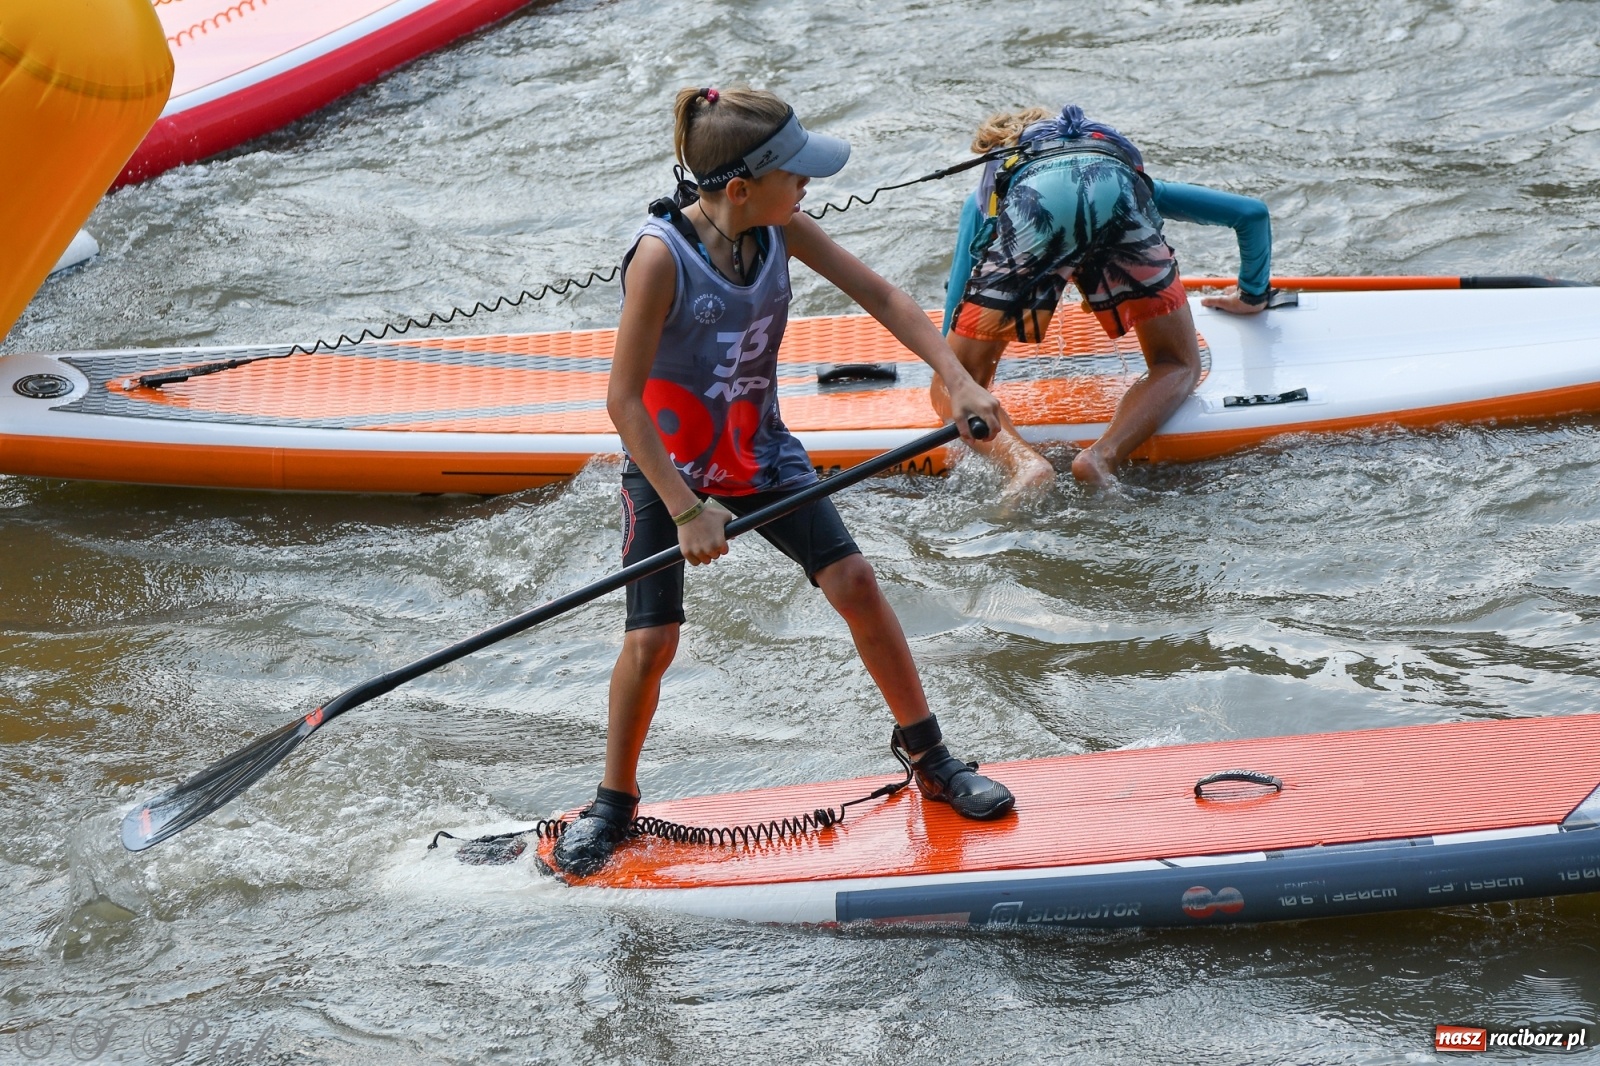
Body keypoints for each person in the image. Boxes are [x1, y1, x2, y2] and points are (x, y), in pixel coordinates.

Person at [549, 86, 1017, 878]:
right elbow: (622, 402)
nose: (808, 186)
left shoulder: (783, 228)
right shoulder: (661, 257)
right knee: (653, 639)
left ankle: (931, 759)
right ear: (741, 188)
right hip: (671, 471)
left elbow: (884, 296)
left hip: (760, 453)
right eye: (795, 173)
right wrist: (687, 508)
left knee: (857, 581)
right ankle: (612, 805)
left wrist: (959, 380)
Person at [931, 104, 1275, 490]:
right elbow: (1252, 214)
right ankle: (1101, 457)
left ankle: (1023, 464)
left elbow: (961, 291)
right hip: (1116, 191)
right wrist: (1252, 294)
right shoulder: (1119, 167)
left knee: (954, 383)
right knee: (1177, 363)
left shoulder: (992, 192)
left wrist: (952, 366)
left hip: (1033, 204)